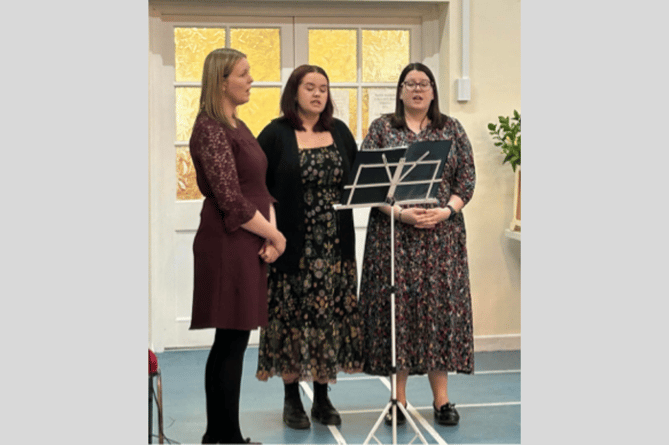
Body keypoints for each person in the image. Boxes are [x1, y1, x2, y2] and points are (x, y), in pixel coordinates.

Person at [358, 62, 476, 427]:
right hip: (394, 236)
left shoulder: (451, 129)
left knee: (438, 312)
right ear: (400, 91)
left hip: (441, 238)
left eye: (424, 84)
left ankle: (442, 400)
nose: (417, 89)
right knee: (399, 314)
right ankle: (399, 399)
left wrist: (446, 211)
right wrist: (397, 213)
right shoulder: (381, 129)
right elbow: (367, 185)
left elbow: (467, 179)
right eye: (410, 84)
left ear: (433, 91)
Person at [255, 65, 364, 430]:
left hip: (335, 247)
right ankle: (291, 399)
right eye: (310, 87)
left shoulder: (340, 132)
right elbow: (257, 188)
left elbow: (358, 180)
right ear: (294, 92)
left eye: (323, 88)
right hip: (292, 246)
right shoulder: (275, 133)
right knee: (290, 322)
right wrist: (268, 233)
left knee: (327, 322)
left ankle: (321, 397)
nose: (318, 94)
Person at [188, 48, 286, 444]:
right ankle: (222, 437)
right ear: (221, 81)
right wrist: (275, 236)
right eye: (244, 74)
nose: (251, 80)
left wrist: (270, 234)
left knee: (236, 339)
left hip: (249, 238)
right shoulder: (210, 129)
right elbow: (230, 198)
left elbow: (259, 188)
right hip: (227, 241)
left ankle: (224, 435)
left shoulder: (237, 124)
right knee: (229, 339)